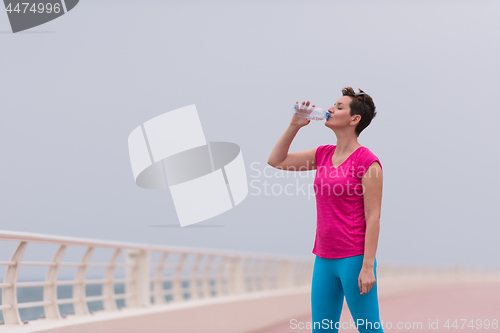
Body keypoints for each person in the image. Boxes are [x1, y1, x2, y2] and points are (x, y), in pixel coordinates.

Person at [267, 87, 384, 332]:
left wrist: (367, 266)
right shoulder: (323, 154)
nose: (330, 109)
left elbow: (373, 216)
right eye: (333, 105)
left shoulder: (367, 161)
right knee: (322, 329)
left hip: (354, 258)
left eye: (339, 107)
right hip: (323, 257)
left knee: (369, 328)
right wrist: (294, 126)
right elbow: (277, 161)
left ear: (354, 119)